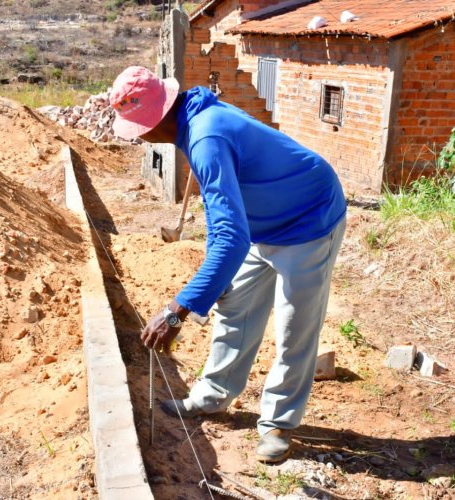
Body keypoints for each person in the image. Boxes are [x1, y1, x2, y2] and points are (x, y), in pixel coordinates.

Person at [109, 66, 346, 463]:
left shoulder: (206, 137)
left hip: (308, 219)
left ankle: (277, 424)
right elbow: (227, 226)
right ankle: (212, 395)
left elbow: (230, 238)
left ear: (160, 116)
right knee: (236, 307)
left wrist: (175, 311)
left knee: (294, 325)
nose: (141, 138)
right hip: (263, 225)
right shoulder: (195, 123)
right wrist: (207, 285)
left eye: (140, 129)